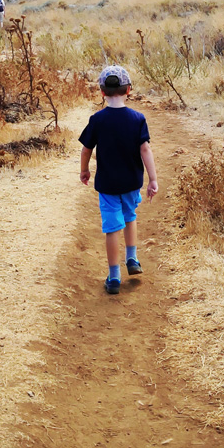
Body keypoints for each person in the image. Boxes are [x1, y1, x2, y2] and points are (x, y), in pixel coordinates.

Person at [79, 65, 158, 295]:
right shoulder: (138, 119)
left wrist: (84, 170)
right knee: (130, 215)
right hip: (131, 181)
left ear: (102, 92)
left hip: (108, 185)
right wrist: (153, 179)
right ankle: (132, 258)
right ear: (129, 90)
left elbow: (86, 149)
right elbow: (145, 150)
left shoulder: (97, 120)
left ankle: (114, 277)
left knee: (112, 228)